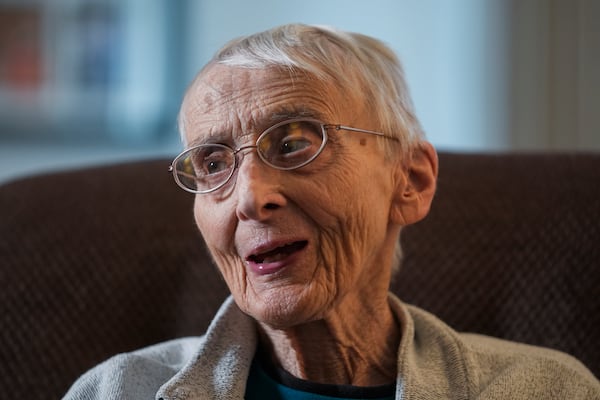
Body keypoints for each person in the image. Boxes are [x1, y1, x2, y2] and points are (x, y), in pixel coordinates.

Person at [63, 23, 599, 399]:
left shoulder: (547, 391)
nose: (250, 197)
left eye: (295, 142)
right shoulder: (115, 392)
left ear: (410, 180)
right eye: (211, 163)